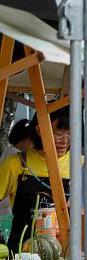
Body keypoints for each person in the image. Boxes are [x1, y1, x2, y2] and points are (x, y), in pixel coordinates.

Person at [0, 107, 71, 252]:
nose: (65, 140)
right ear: (39, 130)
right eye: (59, 133)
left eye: (70, 134)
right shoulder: (15, 164)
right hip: (21, 256)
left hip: (65, 257)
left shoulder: (80, 165)